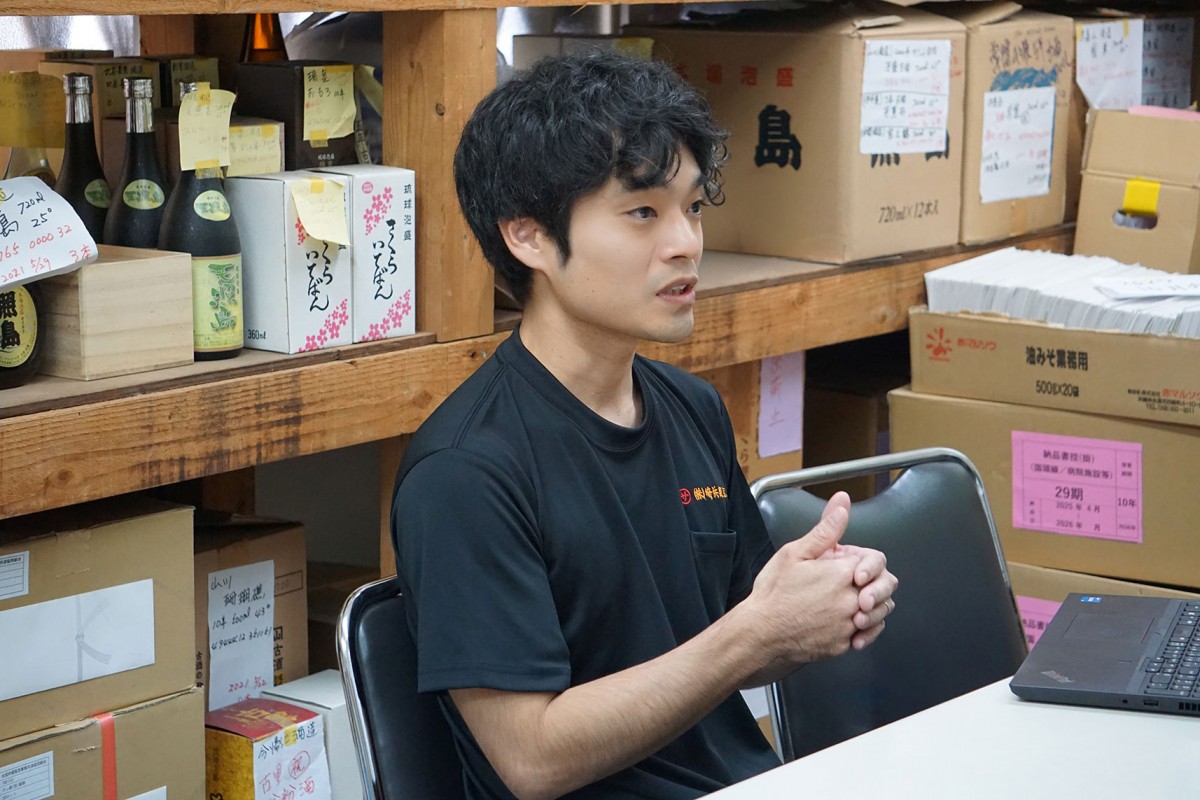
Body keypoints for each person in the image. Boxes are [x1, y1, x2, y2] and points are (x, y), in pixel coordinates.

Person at [391, 49, 899, 800]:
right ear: (529, 237)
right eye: (642, 213)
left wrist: (822, 602)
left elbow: (738, 638)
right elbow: (530, 760)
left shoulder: (692, 406)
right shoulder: (466, 472)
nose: (685, 243)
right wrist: (756, 631)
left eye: (692, 208)